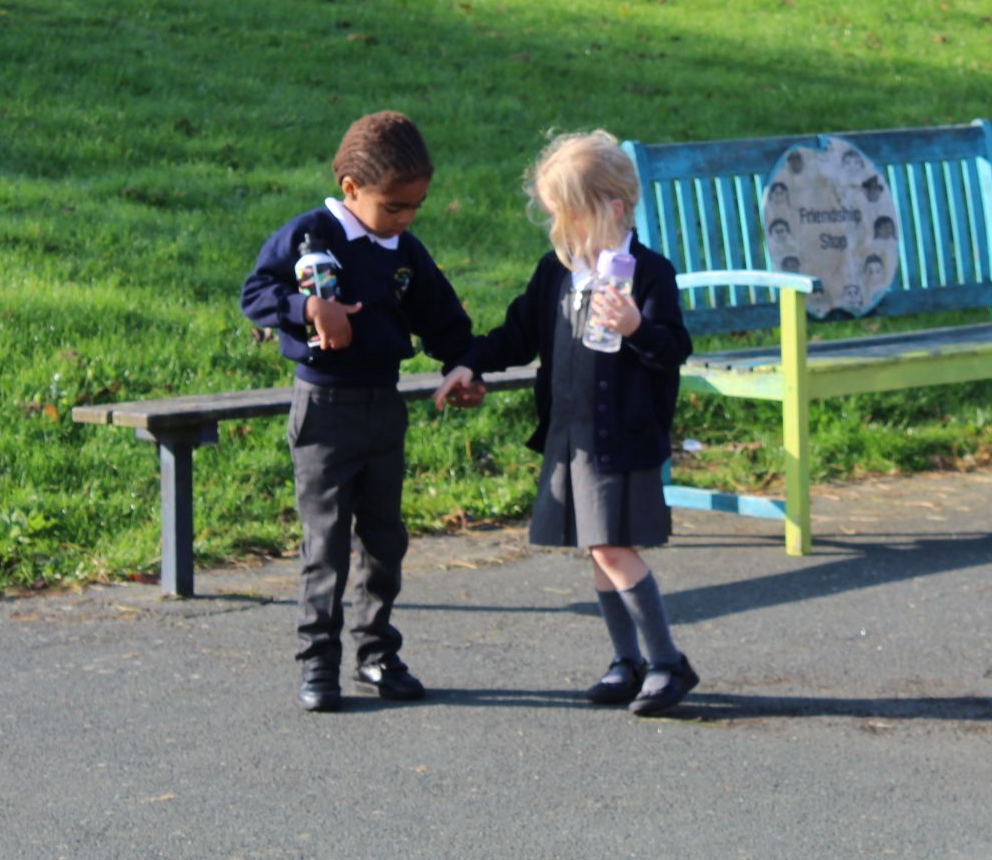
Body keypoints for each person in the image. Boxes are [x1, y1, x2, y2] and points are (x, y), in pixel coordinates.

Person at [432, 130, 698, 717]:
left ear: (614, 208)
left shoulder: (648, 274)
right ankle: (627, 661)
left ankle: (666, 662)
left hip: (619, 436)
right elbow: (519, 333)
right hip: (571, 436)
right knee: (597, 548)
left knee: (610, 545)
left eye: (569, 217)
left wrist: (634, 328)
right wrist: (472, 361)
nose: (562, 232)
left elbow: (673, 348)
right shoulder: (558, 272)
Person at [242, 111, 483, 712]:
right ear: (352, 189)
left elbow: (443, 320)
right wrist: (305, 310)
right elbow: (255, 294)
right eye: (394, 207)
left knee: (385, 541)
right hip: (324, 409)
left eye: (415, 208)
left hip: (384, 407)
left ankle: (376, 653)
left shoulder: (405, 250)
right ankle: (317, 664)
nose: (404, 219)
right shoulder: (311, 234)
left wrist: (463, 365)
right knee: (325, 545)